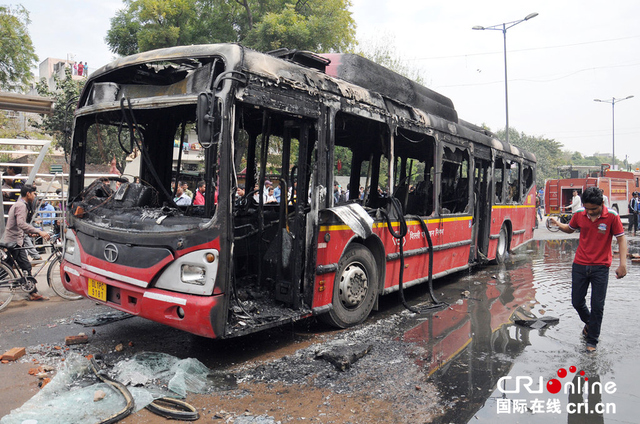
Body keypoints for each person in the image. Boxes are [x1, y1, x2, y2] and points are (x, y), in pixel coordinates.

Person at [549, 187, 627, 352]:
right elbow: (570, 229)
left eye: (594, 209)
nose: (590, 212)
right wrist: (557, 224)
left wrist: (623, 264)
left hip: (601, 267)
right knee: (577, 302)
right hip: (580, 265)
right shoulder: (579, 214)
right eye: (587, 209)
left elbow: (621, 239)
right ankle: (591, 324)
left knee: (597, 306)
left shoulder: (612, 216)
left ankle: (592, 342)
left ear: (602, 204)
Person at [2, 185, 51, 301]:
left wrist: (29, 233)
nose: (34, 196)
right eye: (34, 193)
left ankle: (32, 292)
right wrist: (39, 231)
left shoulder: (19, 204)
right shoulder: (21, 206)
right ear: (28, 194)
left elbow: (19, 225)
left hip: (15, 240)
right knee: (22, 267)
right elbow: (21, 224)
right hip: (15, 242)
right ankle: (32, 293)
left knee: (9, 268)